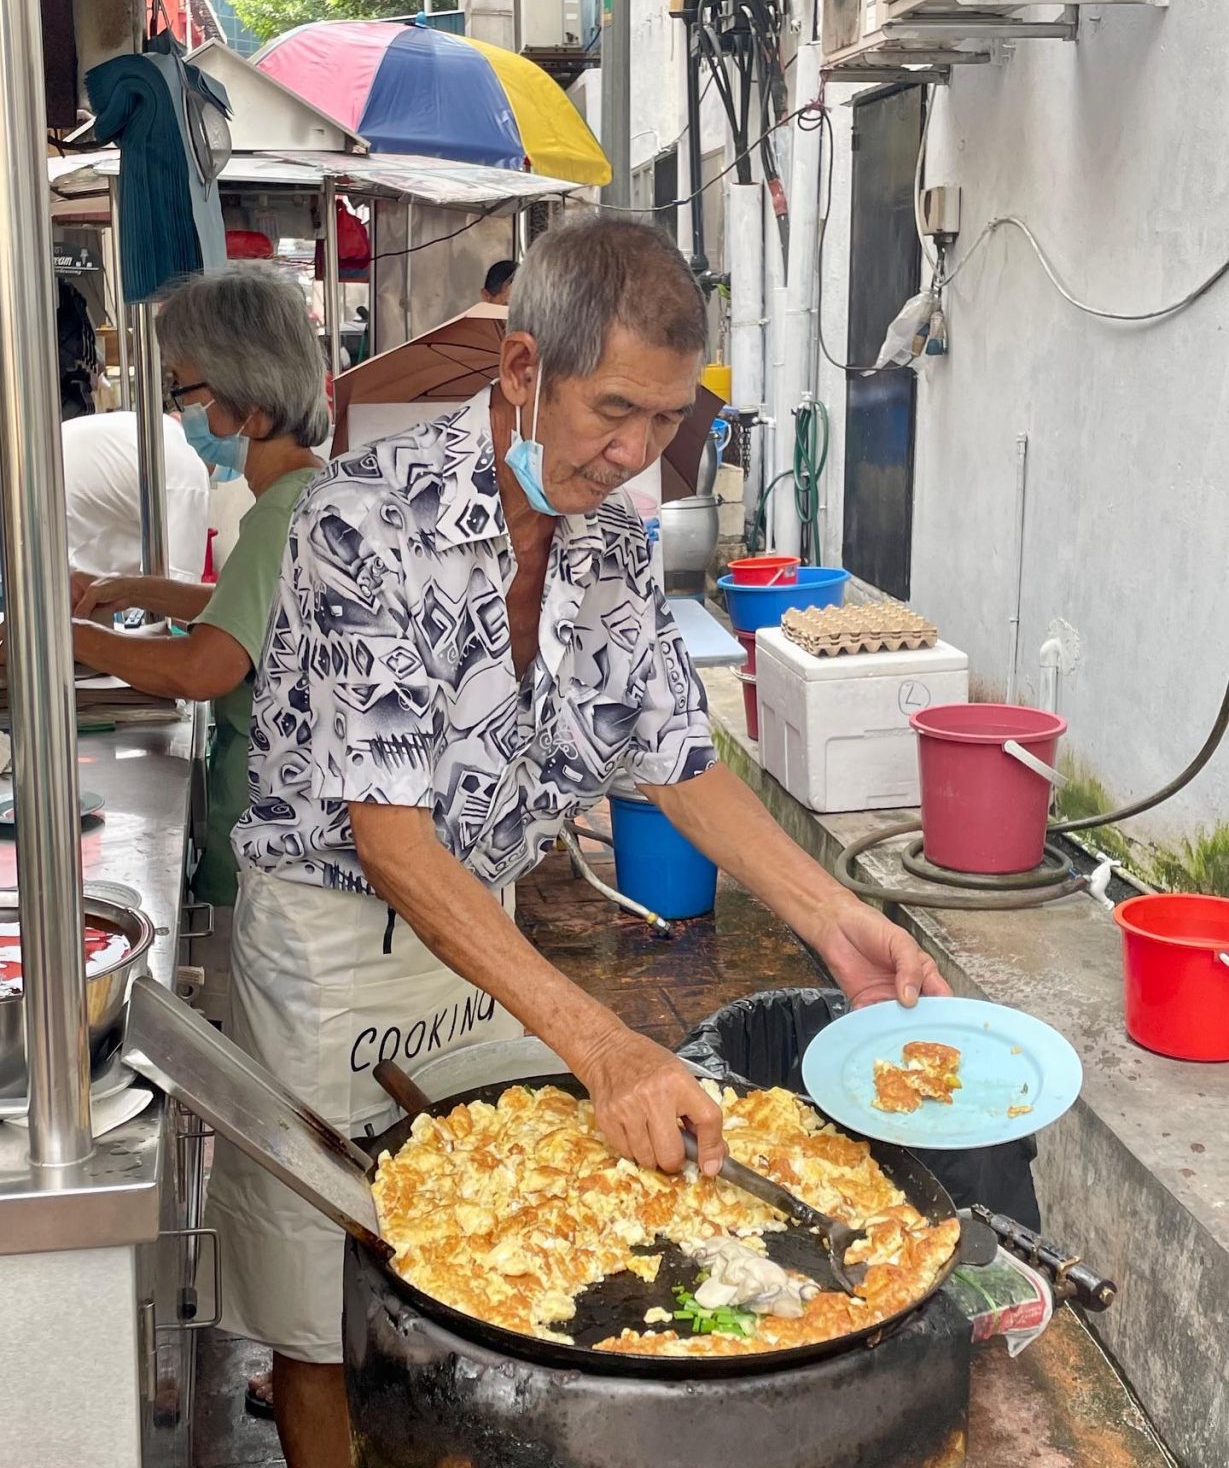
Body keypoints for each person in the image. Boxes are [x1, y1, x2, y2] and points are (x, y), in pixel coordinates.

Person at [209, 217, 950, 1468]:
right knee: (320, 1307)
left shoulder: (606, 529)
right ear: (519, 371)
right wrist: (605, 1042)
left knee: (512, 1240)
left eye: (665, 420)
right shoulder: (358, 523)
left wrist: (833, 918)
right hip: (332, 945)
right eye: (614, 410)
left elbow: (669, 756)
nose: (634, 451)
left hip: (481, 926)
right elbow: (387, 840)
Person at [71, 262, 326, 965]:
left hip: (268, 825)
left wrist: (70, 639)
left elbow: (207, 664)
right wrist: (130, 589)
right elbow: (246, 612)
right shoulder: (310, 493)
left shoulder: (280, 513)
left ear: (244, 396)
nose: (183, 410)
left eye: (185, 387)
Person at [62, 410, 210, 582]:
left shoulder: (154, 428)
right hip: (53, 549)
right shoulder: (188, 472)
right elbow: (175, 589)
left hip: (38, 506)